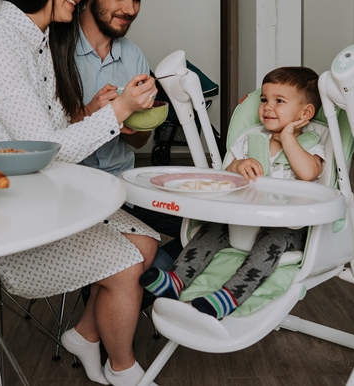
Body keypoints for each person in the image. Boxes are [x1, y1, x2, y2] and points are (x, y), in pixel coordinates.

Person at [0, 0, 160, 386]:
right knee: (127, 264)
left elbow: (50, 133)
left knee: (146, 243)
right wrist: (118, 109)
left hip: (37, 195)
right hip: (0, 212)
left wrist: (98, 113)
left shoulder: (37, 39)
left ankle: (84, 336)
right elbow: (42, 150)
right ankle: (125, 370)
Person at [138, 66, 326, 319]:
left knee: (271, 244)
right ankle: (176, 279)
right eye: (264, 100)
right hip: (242, 219)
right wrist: (238, 166)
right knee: (210, 230)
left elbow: (309, 173)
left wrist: (288, 138)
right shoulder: (250, 137)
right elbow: (226, 172)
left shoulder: (313, 141)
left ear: (306, 113)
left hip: (287, 227)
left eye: (279, 101)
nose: (267, 107)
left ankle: (229, 296)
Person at [74, 0, 181, 268]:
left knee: (206, 226)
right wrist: (93, 112)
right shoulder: (54, 52)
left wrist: (132, 122)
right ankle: (136, 281)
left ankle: (149, 281)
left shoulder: (134, 56)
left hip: (125, 188)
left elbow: (139, 140)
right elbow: (42, 138)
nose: (131, 9)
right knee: (144, 257)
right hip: (76, 192)